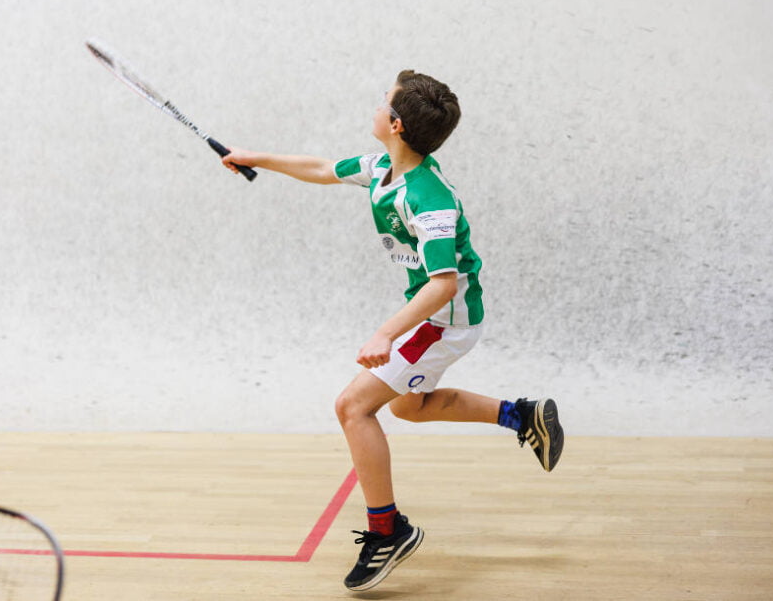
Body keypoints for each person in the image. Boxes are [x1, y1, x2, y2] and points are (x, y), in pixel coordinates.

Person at [221, 70, 564, 592]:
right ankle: (522, 416)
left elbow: (443, 284)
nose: (376, 106)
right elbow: (319, 168)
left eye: (383, 103)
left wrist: (385, 333)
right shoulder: (384, 166)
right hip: (429, 316)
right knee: (409, 406)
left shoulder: (430, 200)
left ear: (397, 125)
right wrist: (255, 158)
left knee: (352, 406)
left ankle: (389, 531)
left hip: (443, 321)